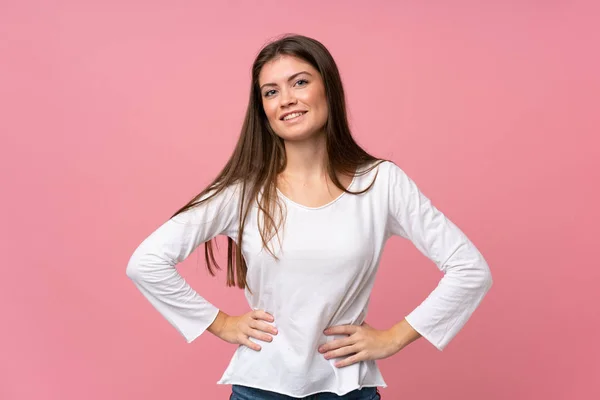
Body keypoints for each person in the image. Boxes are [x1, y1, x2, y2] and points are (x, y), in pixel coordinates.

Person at [126, 34, 493, 400]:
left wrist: (395, 337)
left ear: (328, 89)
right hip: (261, 388)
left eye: (299, 82)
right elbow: (147, 262)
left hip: (348, 389)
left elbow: (469, 269)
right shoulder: (242, 191)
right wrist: (221, 324)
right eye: (270, 92)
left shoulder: (381, 183)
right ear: (263, 110)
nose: (286, 99)